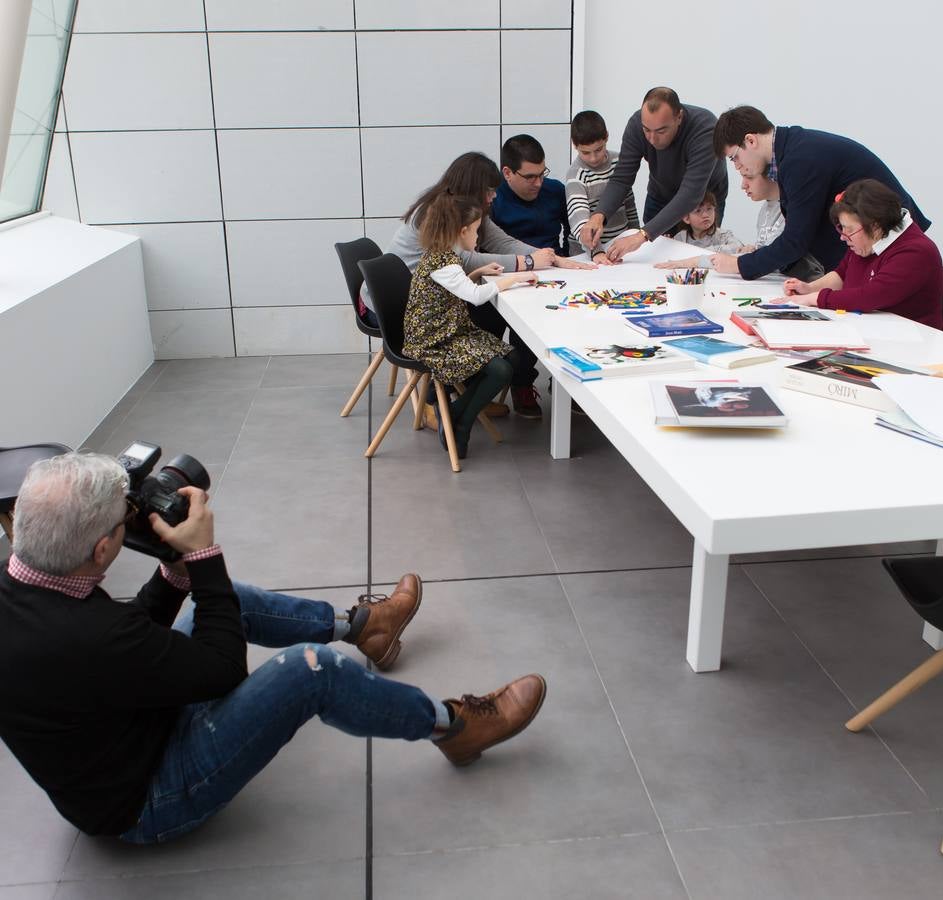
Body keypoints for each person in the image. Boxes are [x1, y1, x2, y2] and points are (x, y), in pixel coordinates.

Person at [0, 452, 547, 842]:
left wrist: (174, 574)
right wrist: (202, 557)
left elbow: (127, 641)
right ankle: (454, 729)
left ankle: (366, 627)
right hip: (149, 800)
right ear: (99, 551)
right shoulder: (89, 638)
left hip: (122, 724)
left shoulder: (26, 583)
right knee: (313, 670)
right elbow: (220, 672)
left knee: (221, 599)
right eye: (123, 527)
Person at [369, 152, 594, 420]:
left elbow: (503, 242)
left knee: (487, 314)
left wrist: (553, 259)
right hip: (402, 311)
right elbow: (465, 260)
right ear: (473, 188)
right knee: (484, 315)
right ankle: (438, 399)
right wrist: (528, 262)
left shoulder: (464, 209)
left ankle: (473, 393)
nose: (494, 197)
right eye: (489, 191)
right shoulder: (436, 213)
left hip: (427, 303)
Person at [711, 106, 930, 281]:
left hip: (891, 236)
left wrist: (739, 265)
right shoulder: (792, 151)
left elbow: (796, 240)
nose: (737, 167)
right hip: (870, 239)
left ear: (750, 140)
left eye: (735, 157)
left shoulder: (800, 160)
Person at [403, 193, 538, 458]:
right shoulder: (443, 263)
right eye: (476, 231)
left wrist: (477, 273)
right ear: (462, 231)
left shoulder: (443, 255)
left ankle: (455, 413)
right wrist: (513, 279)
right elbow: (475, 297)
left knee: (512, 356)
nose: (478, 238)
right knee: (499, 369)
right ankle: (461, 421)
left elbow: (458, 286)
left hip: (450, 330)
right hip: (434, 340)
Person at [579, 87, 728, 261]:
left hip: (703, 202)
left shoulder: (706, 128)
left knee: (698, 260)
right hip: (661, 194)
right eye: (646, 130)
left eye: (661, 131)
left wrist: (642, 235)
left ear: (679, 117)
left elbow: (691, 194)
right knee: (654, 258)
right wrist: (599, 216)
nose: (652, 139)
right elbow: (622, 179)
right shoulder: (635, 124)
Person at [779, 179, 943, 328]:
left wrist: (813, 298)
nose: (843, 237)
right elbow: (842, 274)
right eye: (841, 228)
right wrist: (809, 288)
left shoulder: (916, 252)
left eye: (848, 230)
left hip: (913, 344)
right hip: (870, 330)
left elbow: (870, 296)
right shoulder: (867, 241)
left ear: (875, 226)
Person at [656, 176, 823, 280]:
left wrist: (746, 257)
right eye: (698, 211)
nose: (743, 185)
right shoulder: (765, 210)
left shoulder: (791, 211)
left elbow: (764, 256)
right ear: (686, 218)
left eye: (748, 176)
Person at [565, 110, 640, 263]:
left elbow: (629, 203)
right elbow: (579, 221)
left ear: (606, 136)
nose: (593, 158)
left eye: (598, 149)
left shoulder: (619, 161)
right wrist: (596, 251)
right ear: (574, 144)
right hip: (586, 252)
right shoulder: (576, 174)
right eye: (585, 152)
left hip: (619, 245)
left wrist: (635, 233)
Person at [491, 134, 570, 256]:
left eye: (542, 174)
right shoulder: (491, 198)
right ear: (507, 173)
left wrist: (567, 255)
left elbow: (572, 229)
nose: (538, 183)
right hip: (511, 269)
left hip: (557, 266)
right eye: (530, 177)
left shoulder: (555, 190)